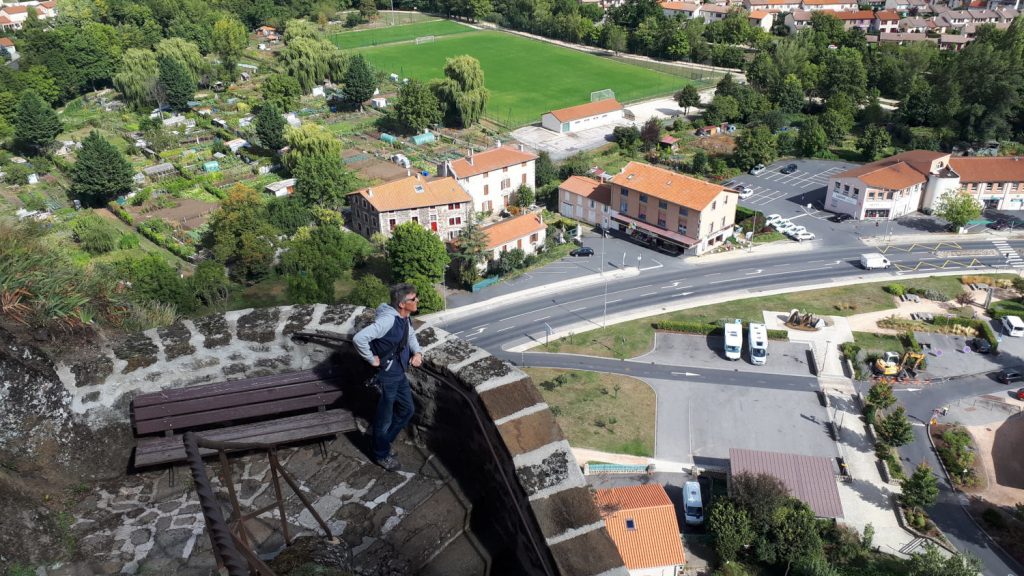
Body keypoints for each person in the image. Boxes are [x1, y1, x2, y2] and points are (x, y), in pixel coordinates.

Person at [353, 283, 423, 471]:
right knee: (384, 418)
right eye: (413, 299)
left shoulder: (405, 317)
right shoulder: (388, 321)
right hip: (386, 376)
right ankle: (380, 453)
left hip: (398, 373)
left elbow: (410, 337)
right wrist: (371, 359)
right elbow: (359, 338)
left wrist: (418, 353)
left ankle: (381, 442)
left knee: (407, 410)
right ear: (402, 304)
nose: (417, 301)